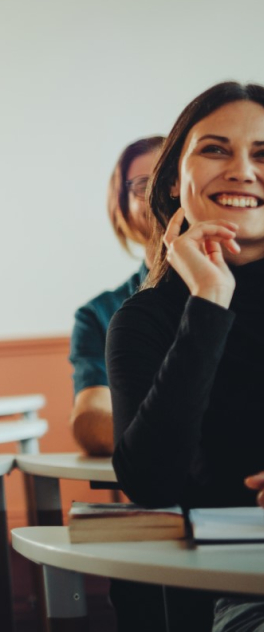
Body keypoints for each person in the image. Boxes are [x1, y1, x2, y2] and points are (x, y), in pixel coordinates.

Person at [109, 81, 264, 632]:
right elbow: (151, 483)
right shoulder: (144, 318)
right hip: (238, 580)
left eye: (263, 154)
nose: (242, 171)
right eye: (216, 149)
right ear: (174, 180)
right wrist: (209, 300)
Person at [69, 136, 163, 457]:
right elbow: (90, 417)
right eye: (144, 185)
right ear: (121, 204)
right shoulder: (98, 314)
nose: (161, 193)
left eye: (171, 178)